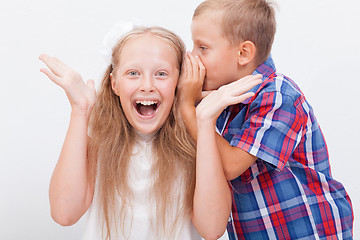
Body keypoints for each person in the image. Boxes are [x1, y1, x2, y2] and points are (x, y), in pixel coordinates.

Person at [40, 25, 259, 240]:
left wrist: (204, 122)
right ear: (115, 84)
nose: (147, 86)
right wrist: (80, 111)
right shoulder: (97, 141)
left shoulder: (197, 142)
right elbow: (64, 214)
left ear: (178, 83)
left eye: (161, 74)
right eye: (133, 73)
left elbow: (211, 229)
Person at [178, 0, 354, 239]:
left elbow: (230, 166)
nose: (192, 56)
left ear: (243, 53)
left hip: (308, 230)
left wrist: (188, 109)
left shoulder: (279, 95)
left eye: (203, 48)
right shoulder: (225, 100)